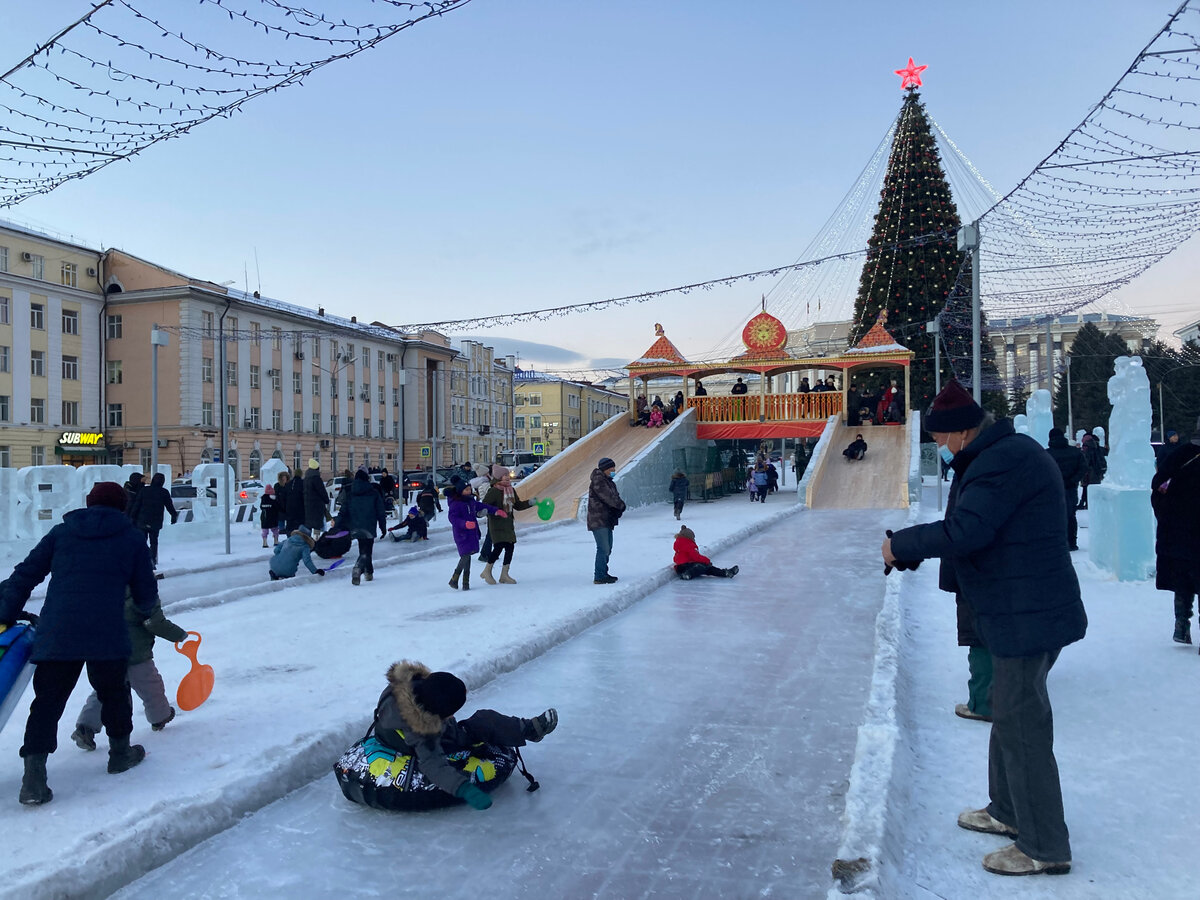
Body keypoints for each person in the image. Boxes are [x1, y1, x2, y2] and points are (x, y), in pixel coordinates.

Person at [884, 380, 1085, 877]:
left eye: (939, 436)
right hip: (1018, 606)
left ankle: (1044, 844)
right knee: (1007, 714)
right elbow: (976, 531)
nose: (937, 445)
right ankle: (1008, 810)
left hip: (1026, 609)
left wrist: (900, 547)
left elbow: (968, 530)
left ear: (960, 431)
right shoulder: (999, 455)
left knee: (1022, 727)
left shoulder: (1002, 462)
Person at [0, 482, 159, 806]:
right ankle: (120, 754)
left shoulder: (62, 533)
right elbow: (145, 594)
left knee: (47, 702)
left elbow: (25, 575)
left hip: (59, 629)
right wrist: (144, 613)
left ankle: (33, 779)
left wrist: (5, 614)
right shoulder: (131, 538)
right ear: (122, 507)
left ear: (88, 504)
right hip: (106, 631)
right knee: (114, 692)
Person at [372, 661, 557, 810]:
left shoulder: (403, 691)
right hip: (437, 742)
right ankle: (526, 730)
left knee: (481, 721)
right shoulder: (423, 735)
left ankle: (527, 729)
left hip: (426, 729)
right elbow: (433, 765)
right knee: (484, 721)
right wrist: (465, 789)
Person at [71, 591, 188, 749]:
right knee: (151, 686)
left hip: (105, 651)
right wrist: (179, 634)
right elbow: (154, 622)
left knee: (106, 691)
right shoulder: (143, 590)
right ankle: (160, 716)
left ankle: (85, 728)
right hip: (134, 653)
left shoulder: (102, 584)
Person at [1151, 416, 1200, 647]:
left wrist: (1167, 518)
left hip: (1179, 533)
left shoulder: (1178, 455)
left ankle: (1181, 625)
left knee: (1183, 579)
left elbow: (1157, 489)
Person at [480, 466, 536, 585]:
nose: (507, 477)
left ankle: (504, 575)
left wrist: (531, 502)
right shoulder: (494, 491)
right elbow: (485, 506)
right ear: (499, 477)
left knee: (510, 547)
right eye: (505, 475)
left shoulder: (511, 490)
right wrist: (488, 511)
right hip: (497, 524)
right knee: (499, 547)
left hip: (508, 524)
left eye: (507, 475)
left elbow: (518, 505)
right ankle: (487, 571)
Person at [334, 469, 387, 586]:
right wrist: (383, 528)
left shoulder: (350, 493)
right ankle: (358, 568)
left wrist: (336, 525)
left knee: (363, 549)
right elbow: (380, 512)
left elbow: (343, 512)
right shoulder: (373, 492)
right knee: (367, 551)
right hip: (369, 526)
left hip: (355, 526)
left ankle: (369, 572)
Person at [447, 483, 504, 590]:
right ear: (460, 491)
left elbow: (483, 506)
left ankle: (465, 583)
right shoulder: (456, 504)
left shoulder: (471, 501)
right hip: (462, 533)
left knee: (467, 555)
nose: (469, 491)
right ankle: (454, 578)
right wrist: (464, 524)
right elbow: (452, 518)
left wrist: (495, 510)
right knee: (465, 555)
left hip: (471, 533)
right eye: (466, 490)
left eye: (469, 489)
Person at [1046, 428, 1088, 552]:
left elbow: (1042, 471)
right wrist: (1073, 480)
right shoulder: (1075, 452)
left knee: (1054, 515)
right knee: (1071, 515)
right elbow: (1083, 468)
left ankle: (1057, 541)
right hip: (1070, 488)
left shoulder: (1046, 454)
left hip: (1053, 489)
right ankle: (1072, 542)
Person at [128, 471, 177, 569]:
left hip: (142, 520)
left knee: (142, 541)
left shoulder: (144, 490)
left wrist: (131, 517)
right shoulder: (164, 492)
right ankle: (152, 560)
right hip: (156, 521)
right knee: (154, 542)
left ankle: (142, 560)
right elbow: (169, 506)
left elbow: (137, 505)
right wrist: (174, 516)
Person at [587, 457, 625, 584]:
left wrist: (617, 509)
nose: (613, 470)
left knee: (608, 547)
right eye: (611, 468)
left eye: (614, 467)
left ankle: (603, 572)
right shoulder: (599, 481)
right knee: (603, 547)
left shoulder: (609, 482)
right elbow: (608, 497)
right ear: (604, 469)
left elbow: (615, 496)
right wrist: (619, 505)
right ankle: (599, 576)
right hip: (598, 519)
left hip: (607, 519)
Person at [672, 526, 738, 580]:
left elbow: (675, 559)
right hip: (688, 567)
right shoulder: (689, 544)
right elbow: (696, 557)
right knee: (703, 566)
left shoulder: (679, 544)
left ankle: (725, 573)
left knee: (706, 567)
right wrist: (706, 560)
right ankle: (688, 574)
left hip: (680, 568)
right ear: (689, 537)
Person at [1078, 433, 1107, 509]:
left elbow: (1086, 460)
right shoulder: (1095, 447)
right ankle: (1087, 502)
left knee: (1086, 487)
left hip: (1089, 472)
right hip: (1096, 471)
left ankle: (1085, 503)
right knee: (1090, 488)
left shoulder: (1086, 448)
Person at [302, 459, 331, 535]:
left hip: (307, 506)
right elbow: (322, 491)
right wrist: (326, 500)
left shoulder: (305, 479)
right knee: (316, 526)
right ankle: (316, 542)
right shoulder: (316, 479)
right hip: (317, 506)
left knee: (308, 525)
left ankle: (308, 542)